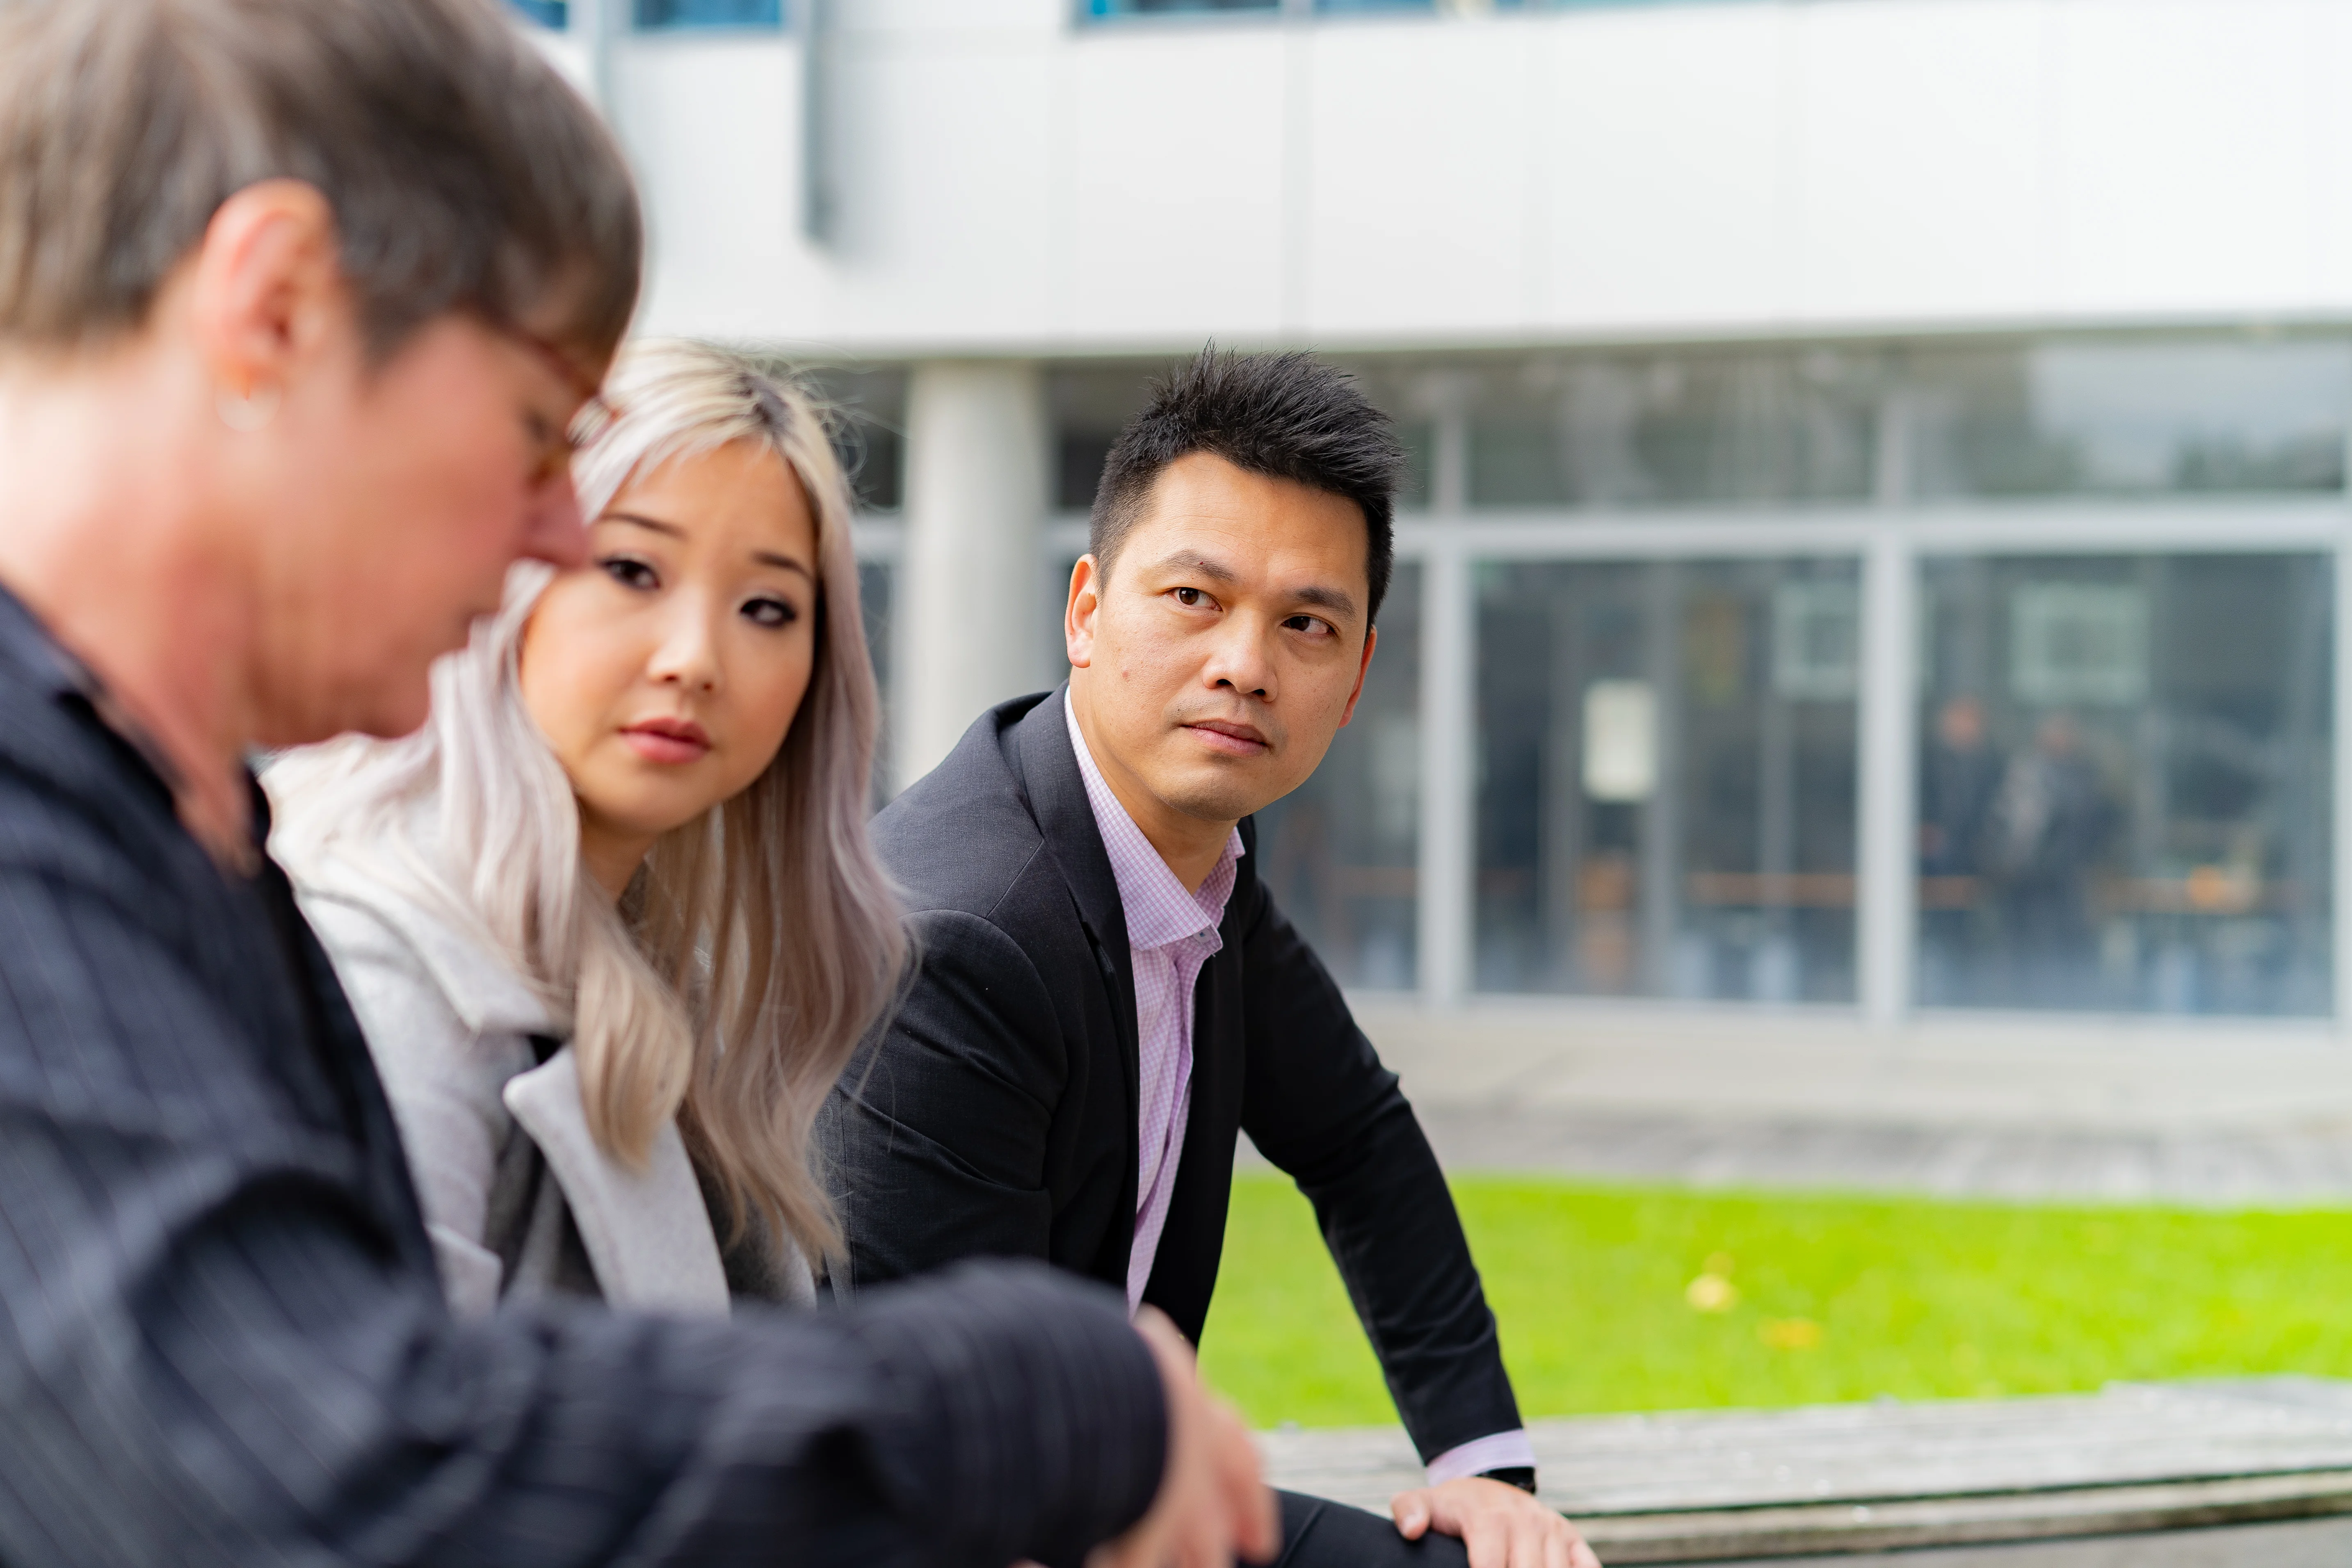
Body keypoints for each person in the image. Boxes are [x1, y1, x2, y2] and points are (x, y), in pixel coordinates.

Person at [0, 4, 1275, 1565]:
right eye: (538, 430)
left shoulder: (172, 837)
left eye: (765, 603)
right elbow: (296, 1477)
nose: (551, 534)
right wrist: (1028, 1395)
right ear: (270, 312)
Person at [823, 349, 1600, 1568]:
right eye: (1194, 597)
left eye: (1304, 622)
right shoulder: (960, 933)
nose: (1244, 661)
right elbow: (931, 1433)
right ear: (1084, 610)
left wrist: (1482, 1470)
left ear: (1352, 683)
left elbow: (1357, 1141)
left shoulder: (1193, 871)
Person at [267, 340, 890, 1316]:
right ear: (507, 576)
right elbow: (360, 1431)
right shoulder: (382, 958)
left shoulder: (673, 974)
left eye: (767, 607)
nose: (694, 659)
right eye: (634, 570)